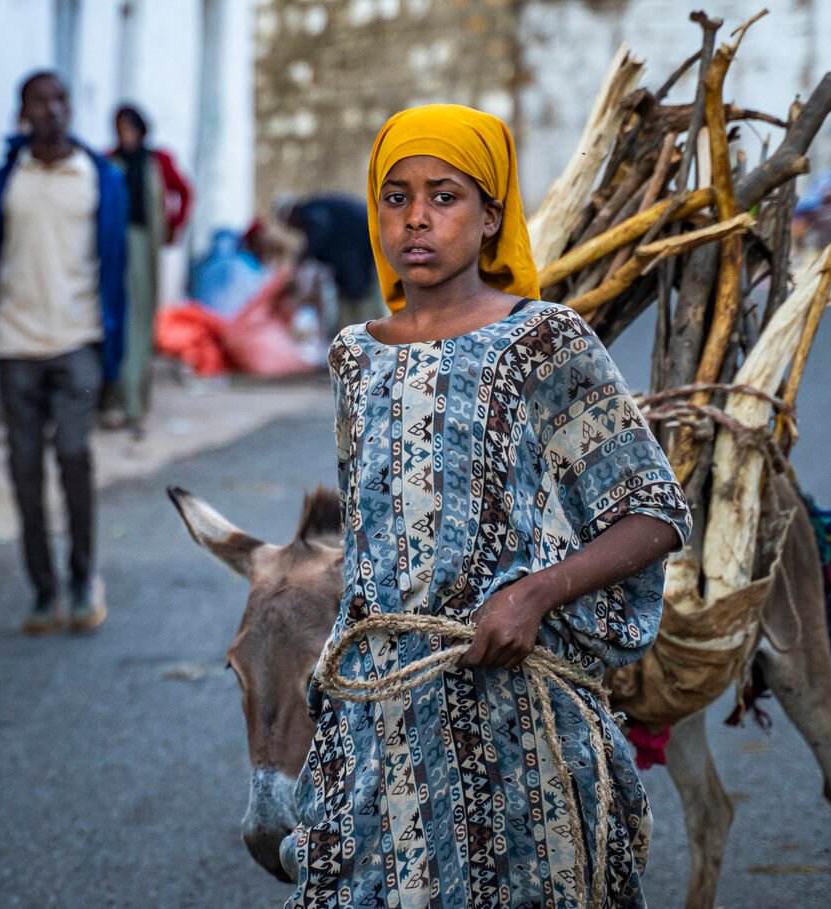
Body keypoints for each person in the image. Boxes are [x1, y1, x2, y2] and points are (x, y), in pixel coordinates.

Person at [282, 104, 691, 906]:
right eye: (395, 197)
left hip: (515, 721)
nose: (417, 219)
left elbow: (653, 510)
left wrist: (534, 594)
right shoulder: (355, 356)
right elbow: (373, 546)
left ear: (492, 214)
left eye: (445, 195)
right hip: (380, 725)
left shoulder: (543, 341)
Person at [0, 71, 128, 636]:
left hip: (79, 342)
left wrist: (117, 360)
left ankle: (83, 577)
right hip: (14, 344)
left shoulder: (99, 177)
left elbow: (116, 273)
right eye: (41, 101)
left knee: (72, 454)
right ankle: (43, 593)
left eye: (61, 99)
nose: (53, 109)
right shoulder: (7, 179)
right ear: (24, 113)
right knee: (23, 470)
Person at [103, 103, 193, 435]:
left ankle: (133, 402)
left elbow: (184, 193)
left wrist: (173, 227)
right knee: (115, 319)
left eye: (128, 128)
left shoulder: (158, 161)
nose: (123, 135)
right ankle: (112, 399)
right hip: (112, 250)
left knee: (139, 321)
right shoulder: (109, 160)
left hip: (142, 247)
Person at [279, 193, 379, 331]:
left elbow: (319, 234)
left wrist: (301, 258)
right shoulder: (319, 210)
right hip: (362, 240)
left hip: (360, 240)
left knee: (358, 290)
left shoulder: (309, 213)